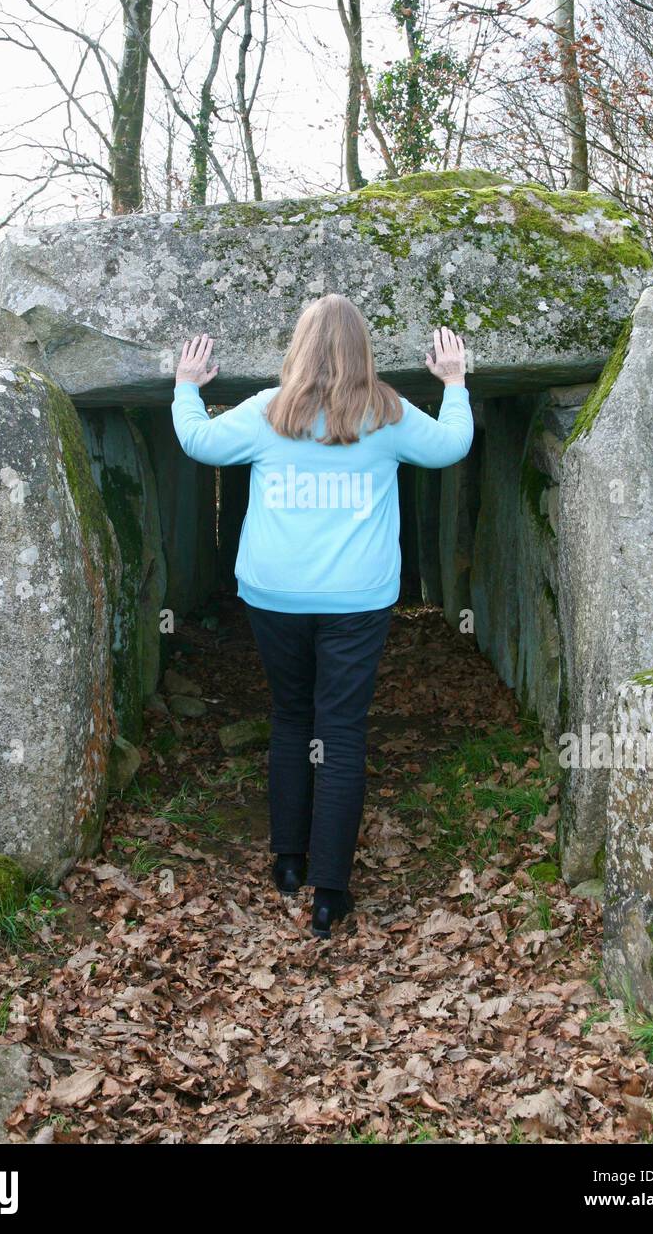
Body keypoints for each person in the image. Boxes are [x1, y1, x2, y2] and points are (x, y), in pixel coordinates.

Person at [171, 294, 473, 938]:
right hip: (357, 599)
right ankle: (329, 893)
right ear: (363, 349)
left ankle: (287, 861)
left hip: (274, 594)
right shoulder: (386, 414)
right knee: (339, 731)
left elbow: (196, 442)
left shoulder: (266, 412)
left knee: (290, 717)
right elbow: (452, 447)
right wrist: (455, 383)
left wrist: (184, 387)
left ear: (298, 348)